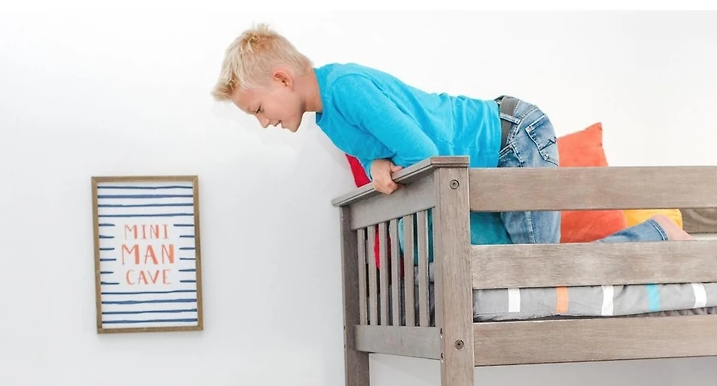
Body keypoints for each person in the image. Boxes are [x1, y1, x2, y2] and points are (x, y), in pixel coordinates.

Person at [212, 23, 692, 248]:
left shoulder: (347, 88)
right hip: (487, 162)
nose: (263, 122)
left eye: (257, 109)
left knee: (537, 273)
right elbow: (393, 152)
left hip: (512, 140)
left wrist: (390, 166)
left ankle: (657, 232)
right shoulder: (329, 121)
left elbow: (427, 156)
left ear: (281, 79)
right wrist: (380, 165)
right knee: (521, 271)